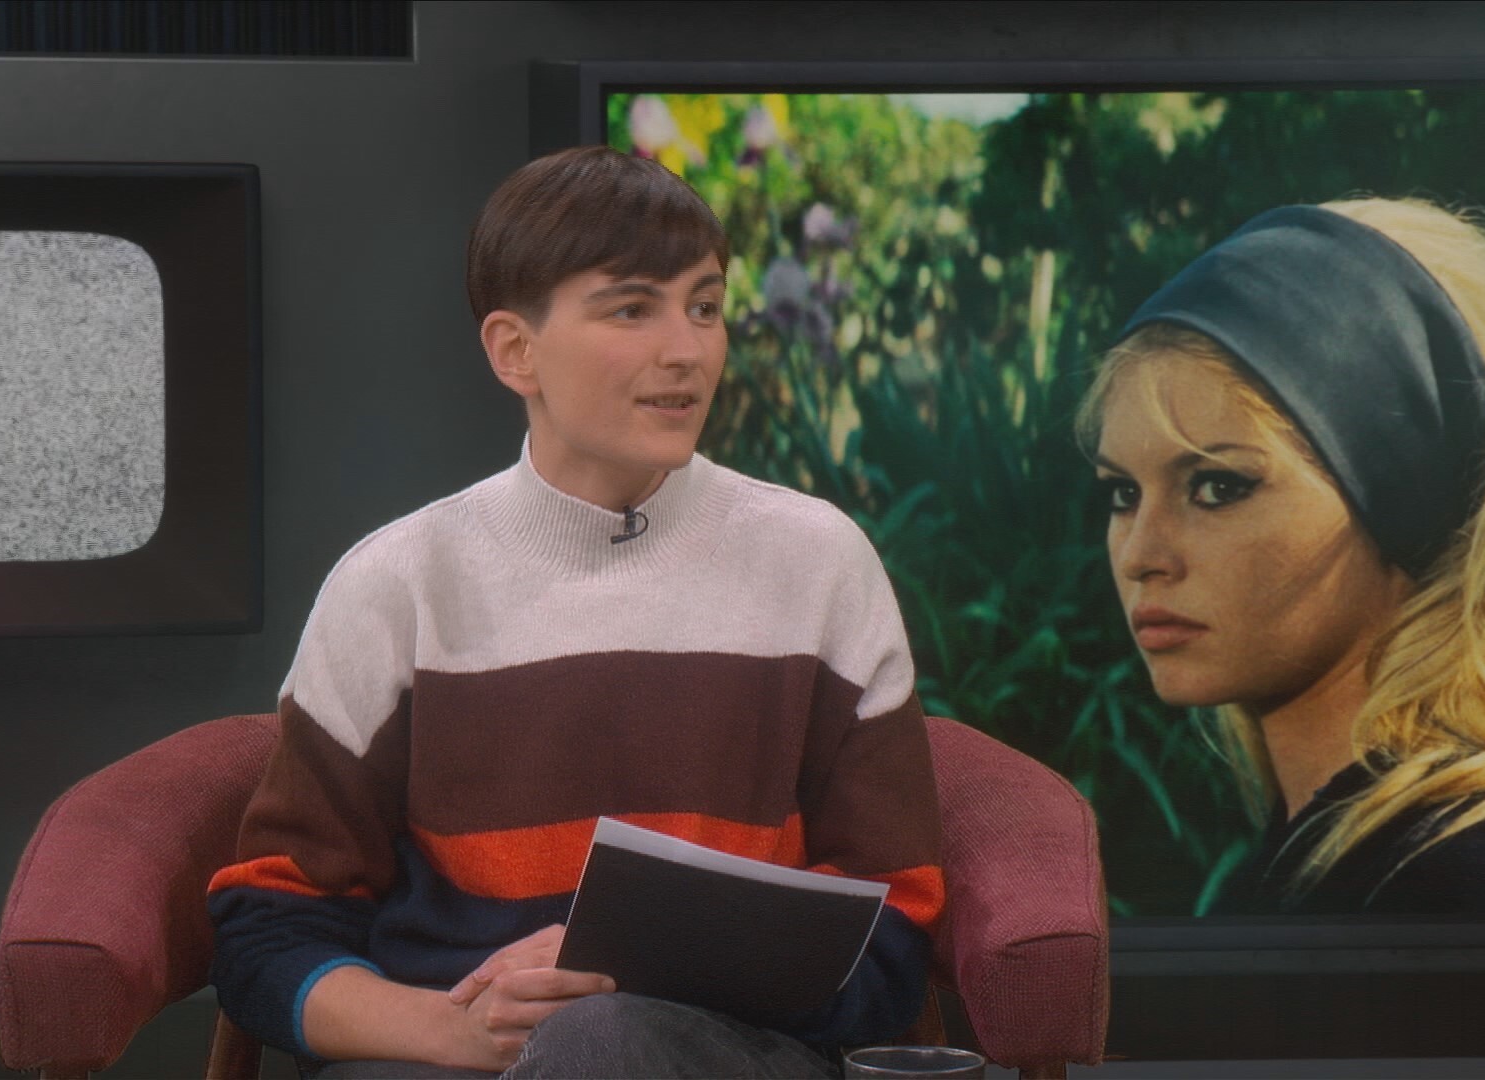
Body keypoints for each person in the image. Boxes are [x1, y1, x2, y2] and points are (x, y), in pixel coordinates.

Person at [207, 146, 944, 1078]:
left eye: (705, 306)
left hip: (723, 1050)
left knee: (599, 1040)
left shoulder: (817, 562)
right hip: (442, 1052)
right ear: (515, 351)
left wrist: (620, 971)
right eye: (633, 309)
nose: (687, 350)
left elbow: (895, 926)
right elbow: (266, 934)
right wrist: (459, 1031)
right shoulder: (397, 583)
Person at [1078, 198, 1485, 915]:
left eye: (1218, 486)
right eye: (1122, 493)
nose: (1141, 554)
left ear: (1399, 499)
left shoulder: (1473, 885)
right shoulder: (1306, 866)